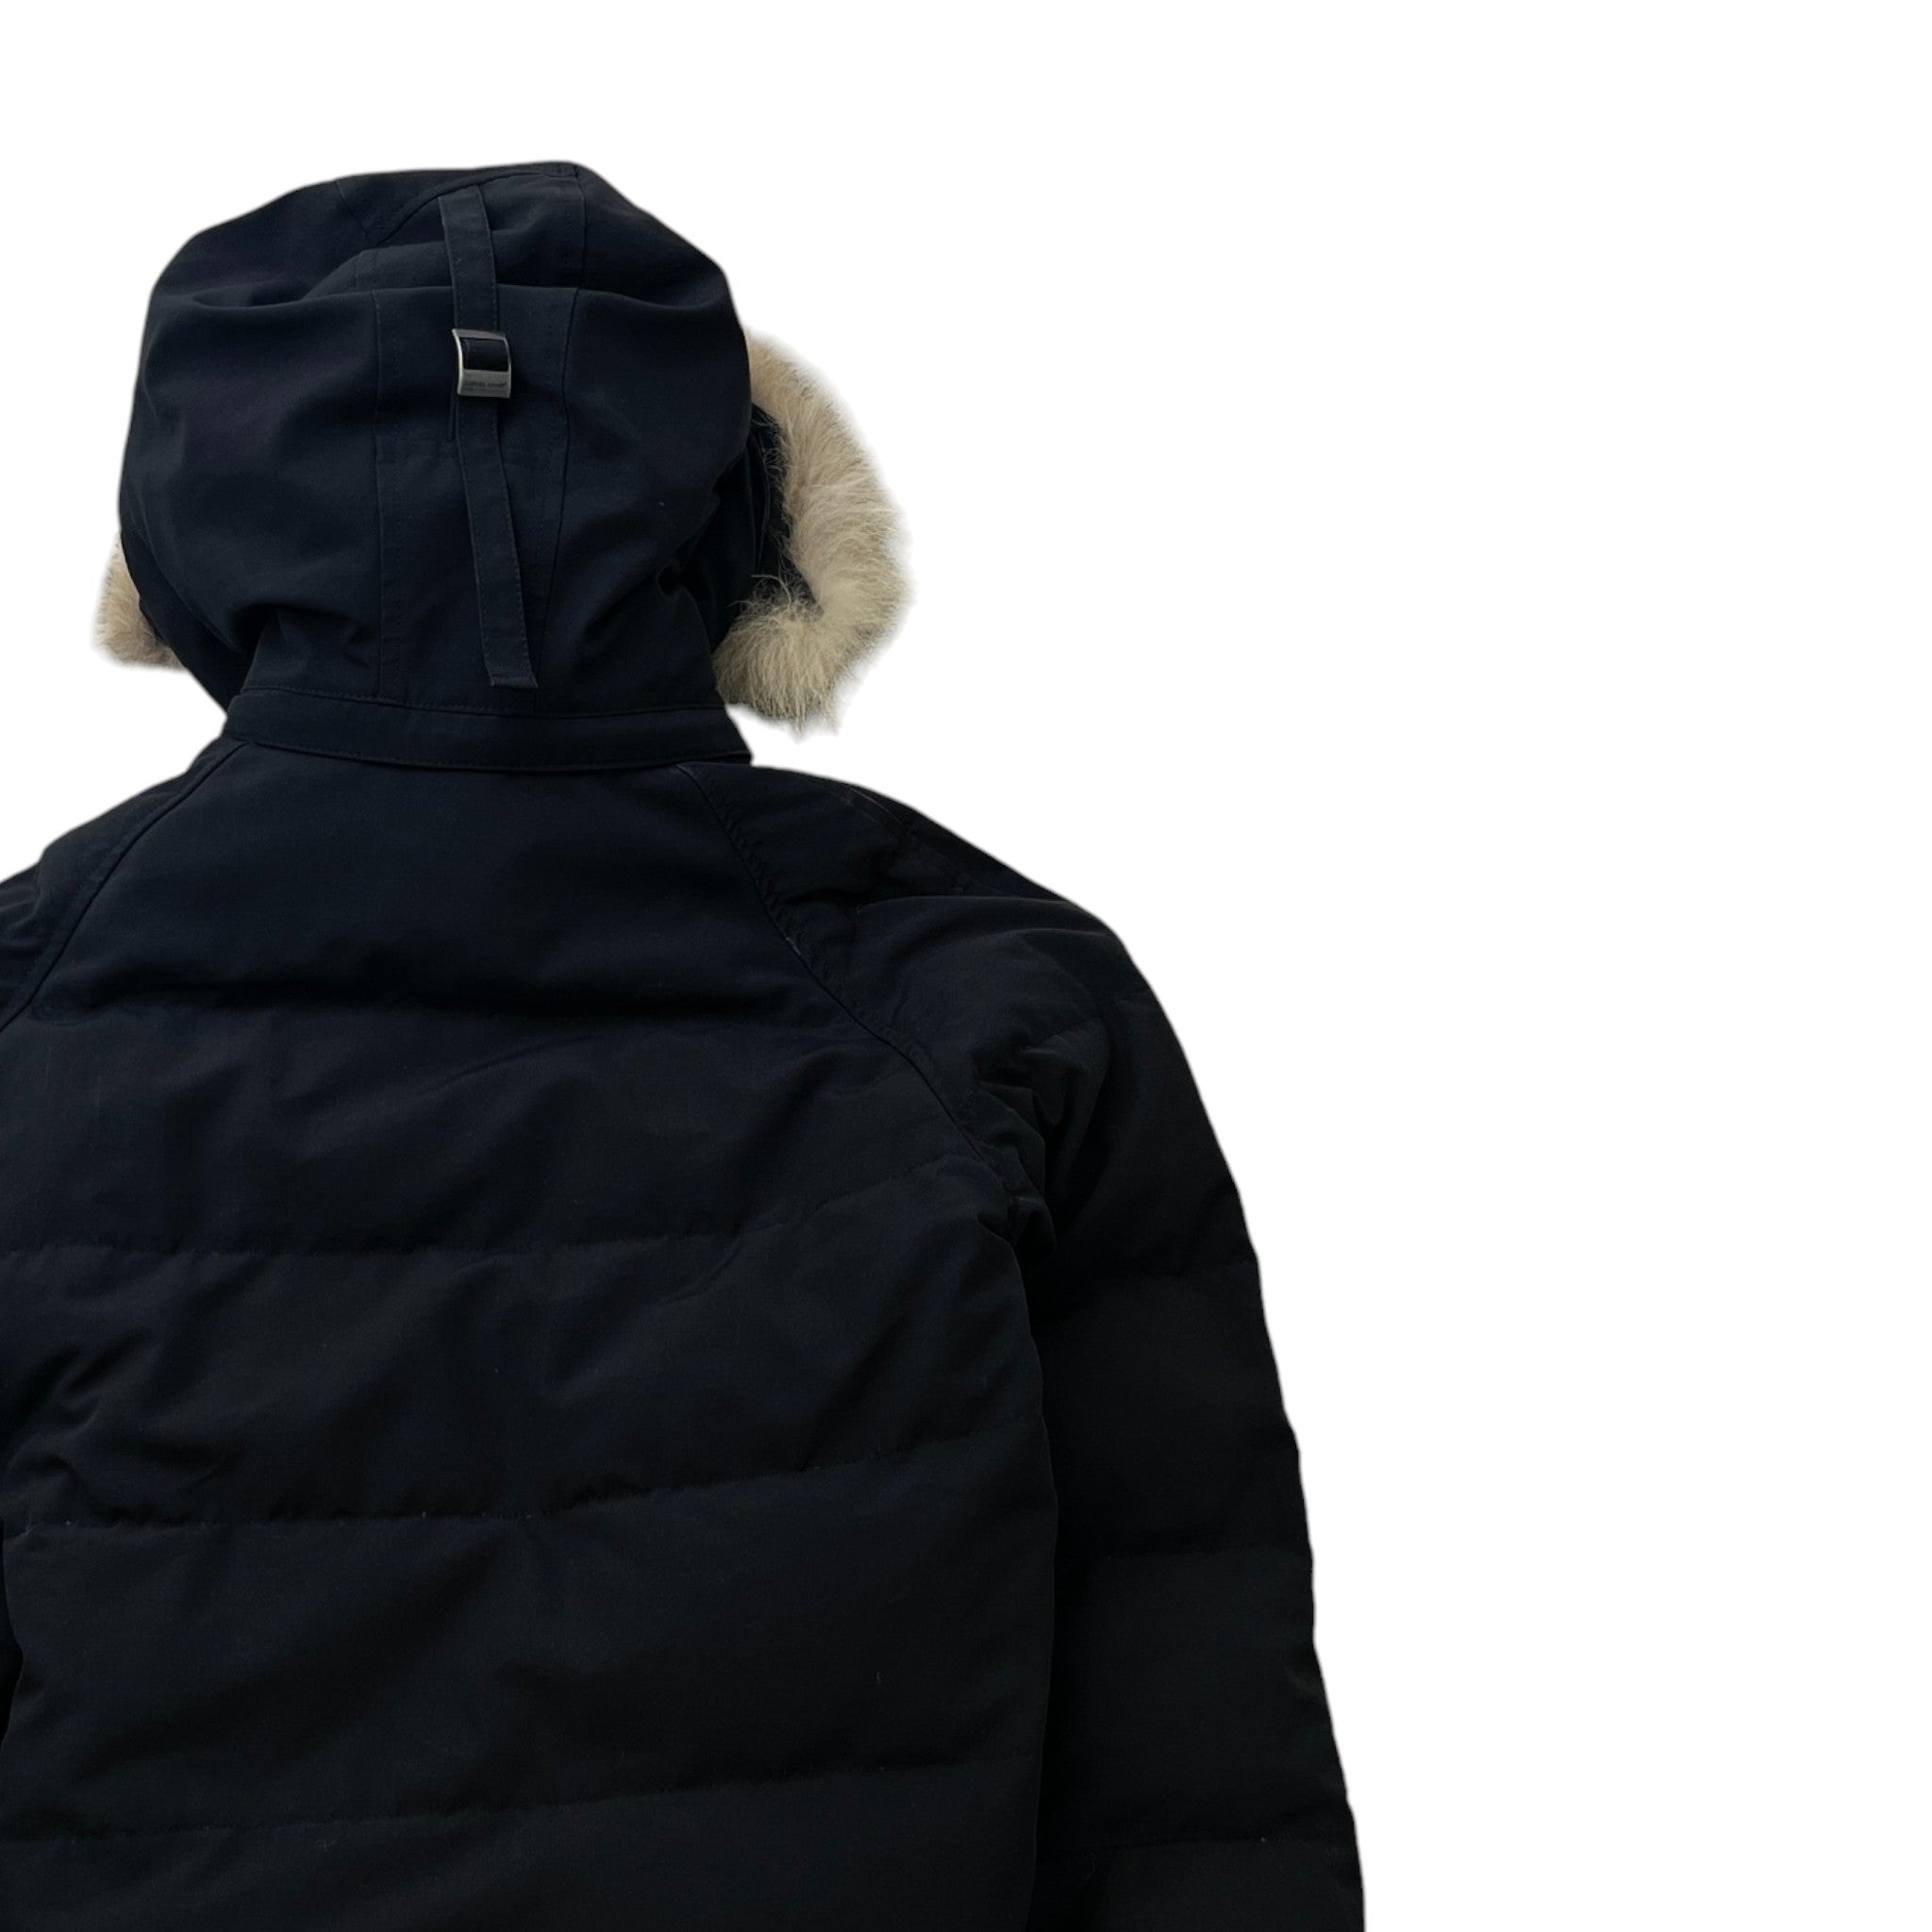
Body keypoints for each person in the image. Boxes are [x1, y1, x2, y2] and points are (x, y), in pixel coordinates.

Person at [0, 163, 1360, 1929]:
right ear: (736, 515)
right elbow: (1192, 1752)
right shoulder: (980, 993)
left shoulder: (29, 1008)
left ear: (186, 527)